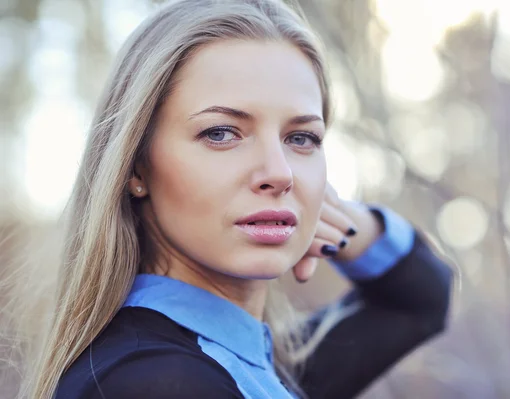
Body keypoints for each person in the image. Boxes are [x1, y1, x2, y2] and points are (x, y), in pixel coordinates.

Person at [21, 0, 453, 398]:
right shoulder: (157, 381)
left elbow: (421, 300)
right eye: (221, 133)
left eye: (301, 138)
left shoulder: (256, 367)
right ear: (135, 166)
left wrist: (343, 224)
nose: (279, 173)